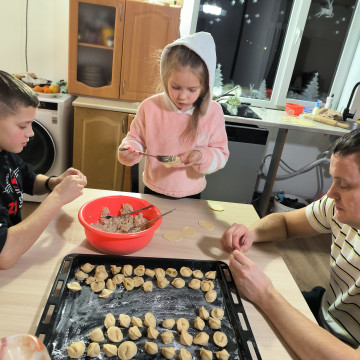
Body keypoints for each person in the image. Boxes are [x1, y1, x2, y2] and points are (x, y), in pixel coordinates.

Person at [220, 129, 360, 359]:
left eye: (344, 185)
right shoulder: (336, 206)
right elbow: (284, 223)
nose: (330, 193)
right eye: (333, 180)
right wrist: (252, 233)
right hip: (323, 309)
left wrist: (266, 295)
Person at [117, 32, 229, 199]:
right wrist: (129, 150)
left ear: (204, 86)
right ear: (165, 78)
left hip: (192, 192)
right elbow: (136, 139)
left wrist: (201, 155)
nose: (182, 96)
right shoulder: (150, 107)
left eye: (192, 90)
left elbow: (221, 154)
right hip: (153, 189)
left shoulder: (213, 112)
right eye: (176, 87)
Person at [0, 70, 87, 270]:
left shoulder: (6, 152)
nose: (31, 133)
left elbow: (28, 179)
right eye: (23, 126)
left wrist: (54, 182)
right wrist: (57, 197)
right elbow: (4, 255)